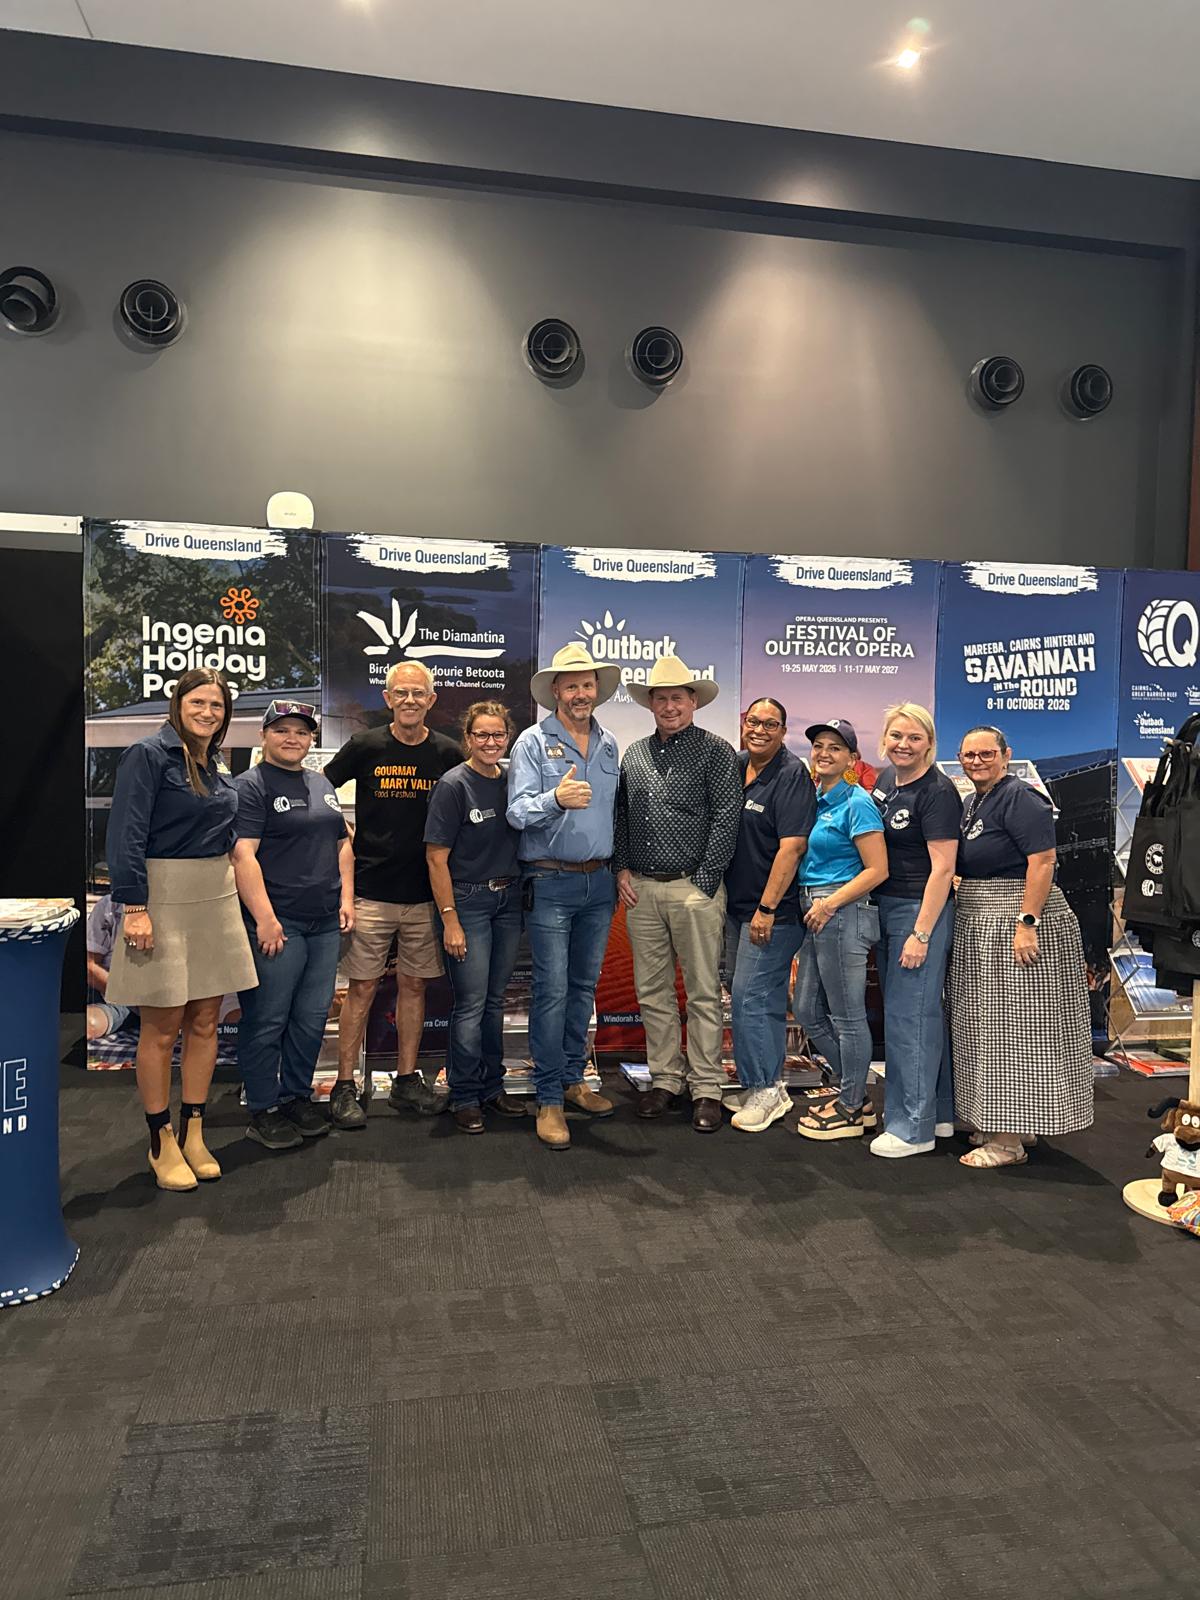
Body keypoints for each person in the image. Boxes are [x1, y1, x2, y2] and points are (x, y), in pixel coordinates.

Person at [104, 668, 258, 1191]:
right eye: (198, 702)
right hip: (161, 898)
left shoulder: (215, 763)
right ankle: (159, 1138)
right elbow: (124, 834)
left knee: (207, 1022)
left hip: (214, 897)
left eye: (216, 705)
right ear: (179, 703)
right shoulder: (148, 755)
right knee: (161, 1026)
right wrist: (134, 907)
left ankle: (194, 1130)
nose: (207, 713)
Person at [323, 661, 459, 1128]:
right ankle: (345, 1085)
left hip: (424, 893)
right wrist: (341, 830)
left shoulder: (447, 752)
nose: (409, 701)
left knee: (414, 986)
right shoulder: (365, 745)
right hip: (371, 892)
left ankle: (405, 1081)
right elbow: (320, 790)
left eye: (419, 694)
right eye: (401, 693)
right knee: (360, 988)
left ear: (431, 700)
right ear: (387, 698)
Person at [951, 724, 1093, 1168]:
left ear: (1006, 755)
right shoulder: (975, 800)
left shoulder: (1020, 798)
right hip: (983, 918)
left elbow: (1043, 861)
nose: (977, 761)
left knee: (1014, 1030)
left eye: (986, 753)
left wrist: (1027, 922)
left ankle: (1008, 1142)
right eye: (969, 754)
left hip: (1016, 919)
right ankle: (1012, 1124)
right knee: (989, 1027)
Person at [614, 656, 742, 1132]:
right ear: (650, 703)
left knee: (704, 993)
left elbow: (727, 818)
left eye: (678, 698)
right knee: (652, 992)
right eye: (661, 698)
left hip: (695, 887)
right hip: (643, 890)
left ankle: (707, 1087)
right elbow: (623, 817)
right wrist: (622, 868)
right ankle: (666, 1080)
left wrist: (704, 882)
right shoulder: (634, 754)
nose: (669, 706)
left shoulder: (716, 751)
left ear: (694, 702)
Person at [507, 642, 620, 1151]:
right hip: (550, 882)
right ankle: (548, 1096)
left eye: (587, 684)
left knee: (583, 988)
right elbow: (517, 813)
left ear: (597, 690)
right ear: (555, 690)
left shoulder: (611, 743)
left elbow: (615, 816)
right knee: (551, 991)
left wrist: (621, 869)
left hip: (600, 883)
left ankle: (574, 1079)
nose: (580, 692)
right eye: (571, 684)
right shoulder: (532, 741)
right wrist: (555, 798)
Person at [232, 701, 355, 1151]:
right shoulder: (249, 786)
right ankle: (263, 1108)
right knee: (267, 1019)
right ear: (264, 735)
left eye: (301, 732)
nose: (292, 738)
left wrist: (346, 897)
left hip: (324, 922)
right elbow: (243, 855)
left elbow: (343, 843)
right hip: (278, 923)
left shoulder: (321, 782)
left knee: (310, 1018)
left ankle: (297, 1096)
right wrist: (265, 918)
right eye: (282, 730)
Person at [424, 701, 528, 1135]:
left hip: (508, 903)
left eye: (498, 735)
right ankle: (464, 1095)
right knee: (470, 1005)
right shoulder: (453, 785)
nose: (490, 742)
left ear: (508, 738)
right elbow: (435, 858)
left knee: (493, 1003)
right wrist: (450, 919)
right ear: (467, 739)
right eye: (481, 735)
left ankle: (491, 1088)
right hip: (467, 904)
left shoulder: (513, 782)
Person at [868, 703, 961, 1157]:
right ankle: (939, 1114)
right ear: (884, 739)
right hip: (886, 905)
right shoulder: (886, 781)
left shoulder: (938, 791)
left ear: (929, 743)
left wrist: (921, 934)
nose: (903, 745)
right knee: (913, 1014)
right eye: (896, 736)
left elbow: (943, 869)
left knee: (911, 1019)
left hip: (918, 910)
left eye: (914, 738)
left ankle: (912, 1129)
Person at [723, 698, 816, 1133]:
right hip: (737, 906)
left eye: (771, 724)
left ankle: (764, 1088)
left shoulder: (792, 774)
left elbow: (793, 846)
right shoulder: (737, 764)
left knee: (750, 998)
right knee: (757, 997)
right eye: (754, 721)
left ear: (783, 731)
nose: (760, 729)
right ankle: (766, 1086)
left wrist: (767, 907)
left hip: (772, 913)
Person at [793, 719, 888, 1142]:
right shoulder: (817, 799)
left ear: (853, 758)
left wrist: (830, 904)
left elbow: (878, 869)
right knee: (807, 1009)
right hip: (815, 907)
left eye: (835, 747)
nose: (824, 752)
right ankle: (857, 1090)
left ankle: (851, 1106)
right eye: (818, 745)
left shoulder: (858, 802)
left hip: (842, 910)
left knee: (848, 1015)